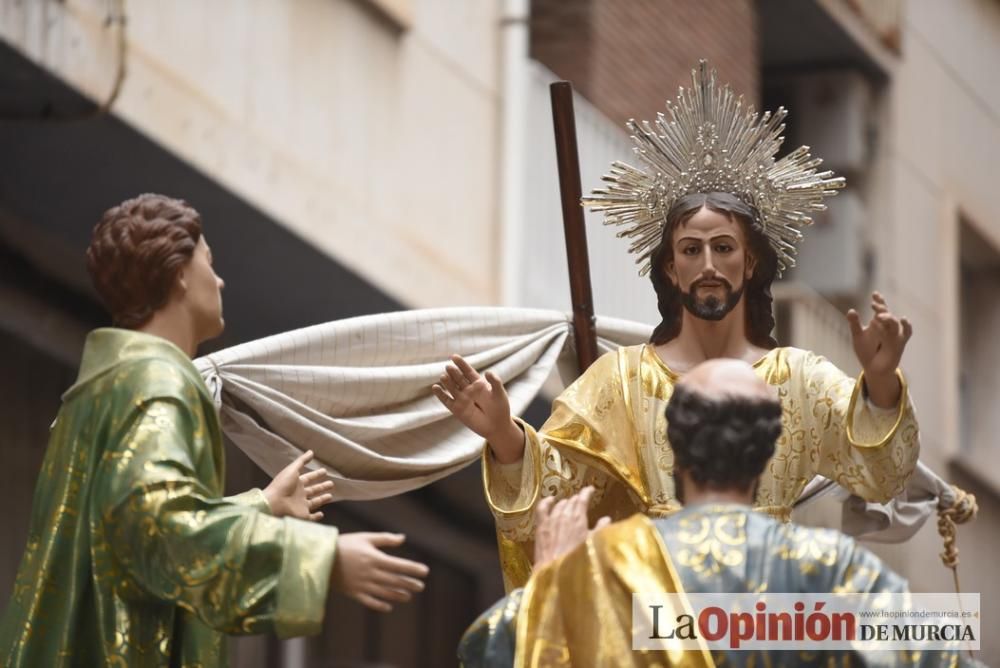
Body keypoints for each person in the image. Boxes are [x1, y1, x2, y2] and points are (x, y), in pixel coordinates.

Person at [434, 63, 919, 589]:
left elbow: (879, 475)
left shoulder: (799, 379)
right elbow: (557, 499)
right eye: (691, 250)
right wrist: (504, 434)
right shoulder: (620, 382)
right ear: (670, 268)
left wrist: (882, 385)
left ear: (750, 263)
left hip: (762, 601)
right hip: (653, 604)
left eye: (724, 248)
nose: (708, 264)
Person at [0, 194, 429, 667]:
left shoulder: (101, 391)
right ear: (180, 273)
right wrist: (322, 562)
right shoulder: (156, 385)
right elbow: (157, 530)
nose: (220, 279)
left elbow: (126, 522)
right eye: (209, 261)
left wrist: (261, 504)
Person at [457, 359, 970, 667]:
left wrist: (549, 586)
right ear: (769, 453)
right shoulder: (830, 570)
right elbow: (944, 652)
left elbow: (490, 652)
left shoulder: (602, 569)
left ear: (673, 450)